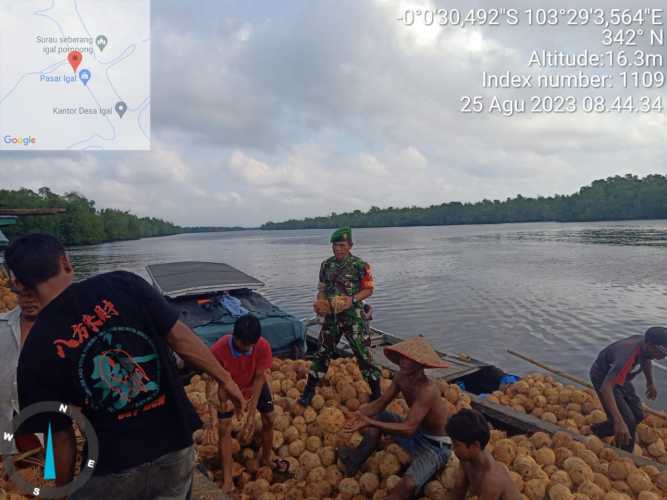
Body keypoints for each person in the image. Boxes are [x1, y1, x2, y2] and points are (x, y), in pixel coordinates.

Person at [4, 233, 245, 500]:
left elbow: (60, 436)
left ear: (22, 285)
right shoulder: (124, 283)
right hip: (174, 448)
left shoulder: (36, 347)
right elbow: (181, 337)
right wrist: (225, 378)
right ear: (66, 262)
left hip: (111, 469)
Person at [341, 336, 451, 499]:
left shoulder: (428, 390)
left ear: (421, 364)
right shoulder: (401, 376)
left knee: (407, 485)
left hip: (434, 446)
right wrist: (360, 414)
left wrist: (370, 421)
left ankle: (422, 478)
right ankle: (355, 461)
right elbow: (381, 402)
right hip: (416, 432)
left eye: (409, 359)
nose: (403, 361)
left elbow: (408, 428)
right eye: (402, 357)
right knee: (378, 415)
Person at [299, 226, 381, 406]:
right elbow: (321, 289)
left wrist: (352, 300)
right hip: (332, 319)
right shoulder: (326, 265)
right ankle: (308, 391)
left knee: (363, 355)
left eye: (342, 245)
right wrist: (320, 303)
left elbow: (369, 289)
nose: (338, 248)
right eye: (335, 245)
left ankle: (377, 394)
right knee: (321, 354)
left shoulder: (361, 265)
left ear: (350, 245)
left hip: (354, 318)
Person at [210, 314, 274, 493]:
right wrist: (214, 411)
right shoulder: (219, 348)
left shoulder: (262, 346)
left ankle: (267, 459)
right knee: (224, 429)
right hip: (229, 387)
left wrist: (251, 413)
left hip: (254, 384)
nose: (247, 349)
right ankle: (228, 479)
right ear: (234, 337)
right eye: (243, 345)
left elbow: (260, 378)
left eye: (250, 346)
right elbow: (213, 379)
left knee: (270, 418)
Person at [589, 326, 667, 452]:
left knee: (638, 414)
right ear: (650, 345)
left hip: (621, 378)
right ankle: (624, 455)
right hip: (604, 377)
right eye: (662, 352)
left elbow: (647, 360)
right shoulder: (626, 356)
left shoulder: (646, 347)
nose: (663, 357)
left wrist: (650, 383)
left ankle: (596, 431)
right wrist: (619, 421)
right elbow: (606, 388)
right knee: (627, 421)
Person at [0, 282, 43, 457]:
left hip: (45, 423)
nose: (28, 300)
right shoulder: (2, 326)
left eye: (33, 293)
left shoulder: (62, 329)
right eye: (22, 294)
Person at [445, 409, 522, 500]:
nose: (453, 448)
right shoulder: (466, 461)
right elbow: (459, 489)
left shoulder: (492, 480)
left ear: (475, 445)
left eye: (456, 444)